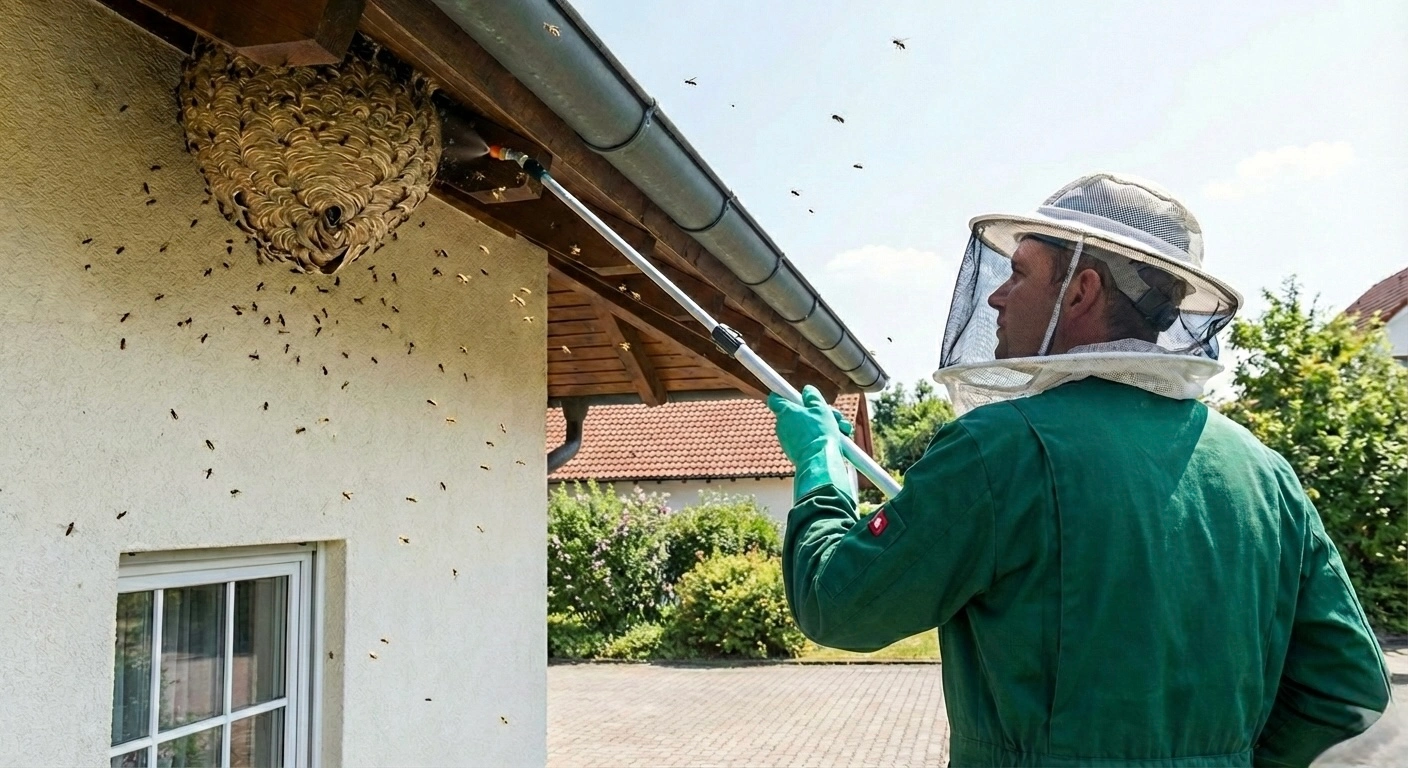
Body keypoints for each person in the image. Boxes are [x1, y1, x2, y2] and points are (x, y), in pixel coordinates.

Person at [768, 173, 1391, 767]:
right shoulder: (1266, 474)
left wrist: (820, 470)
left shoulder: (998, 447)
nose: (996, 295)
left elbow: (841, 605)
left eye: (1018, 273)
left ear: (1081, 290)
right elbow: (1347, 695)